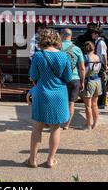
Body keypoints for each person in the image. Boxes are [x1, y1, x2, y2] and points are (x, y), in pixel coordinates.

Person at [25, 29, 73, 168]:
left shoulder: (38, 56)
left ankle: (32, 160)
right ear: (57, 39)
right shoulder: (64, 56)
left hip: (42, 93)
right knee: (55, 128)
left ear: (42, 39)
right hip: (59, 94)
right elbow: (68, 78)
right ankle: (50, 160)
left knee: (37, 128)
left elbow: (33, 76)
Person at [60, 29, 85, 130]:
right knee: (71, 103)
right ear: (71, 36)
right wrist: (82, 81)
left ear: (62, 35)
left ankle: (57, 122)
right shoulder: (77, 49)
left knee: (60, 101)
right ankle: (67, 124)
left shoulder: (57, 48)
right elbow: (82, 68)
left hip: (61, 79)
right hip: (74, 78)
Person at [81, 41, 102, 130]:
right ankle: (95, 123)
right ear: (94, 48)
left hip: (89, 81)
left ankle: (88, 124)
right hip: (98, 81)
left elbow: (83, 70)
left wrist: (81, 81)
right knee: (95, 104)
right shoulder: (97, 57)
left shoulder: (85, 58)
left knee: (88, 106)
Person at [92, 28, 108, 109]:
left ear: (97, 34)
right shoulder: (97, 42)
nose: (92, 34)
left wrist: (106, 65)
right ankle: (99, 101)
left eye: (93, 33)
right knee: (99, 81)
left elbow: (104, 55)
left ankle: (101, 103)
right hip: (98, 63)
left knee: (102, 82)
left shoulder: (101, 42)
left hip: (101, 64)